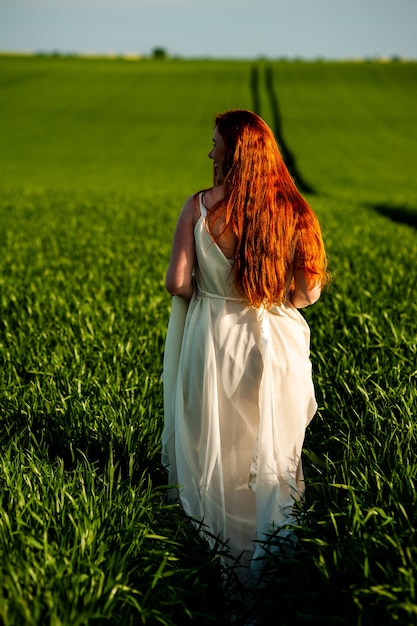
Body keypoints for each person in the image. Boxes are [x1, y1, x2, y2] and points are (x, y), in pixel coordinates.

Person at [162, 109, 329, 580]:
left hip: (214, 341)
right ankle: (269, 568)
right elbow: (306, 293)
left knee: (214, 452)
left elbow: (177, 282)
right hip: (274, 346)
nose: (209, 150)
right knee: (267, 455)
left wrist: (216, 294)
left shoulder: (198, 207)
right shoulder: (294, 211)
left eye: (215, 142)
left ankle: (215, 566)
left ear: (234, 153)